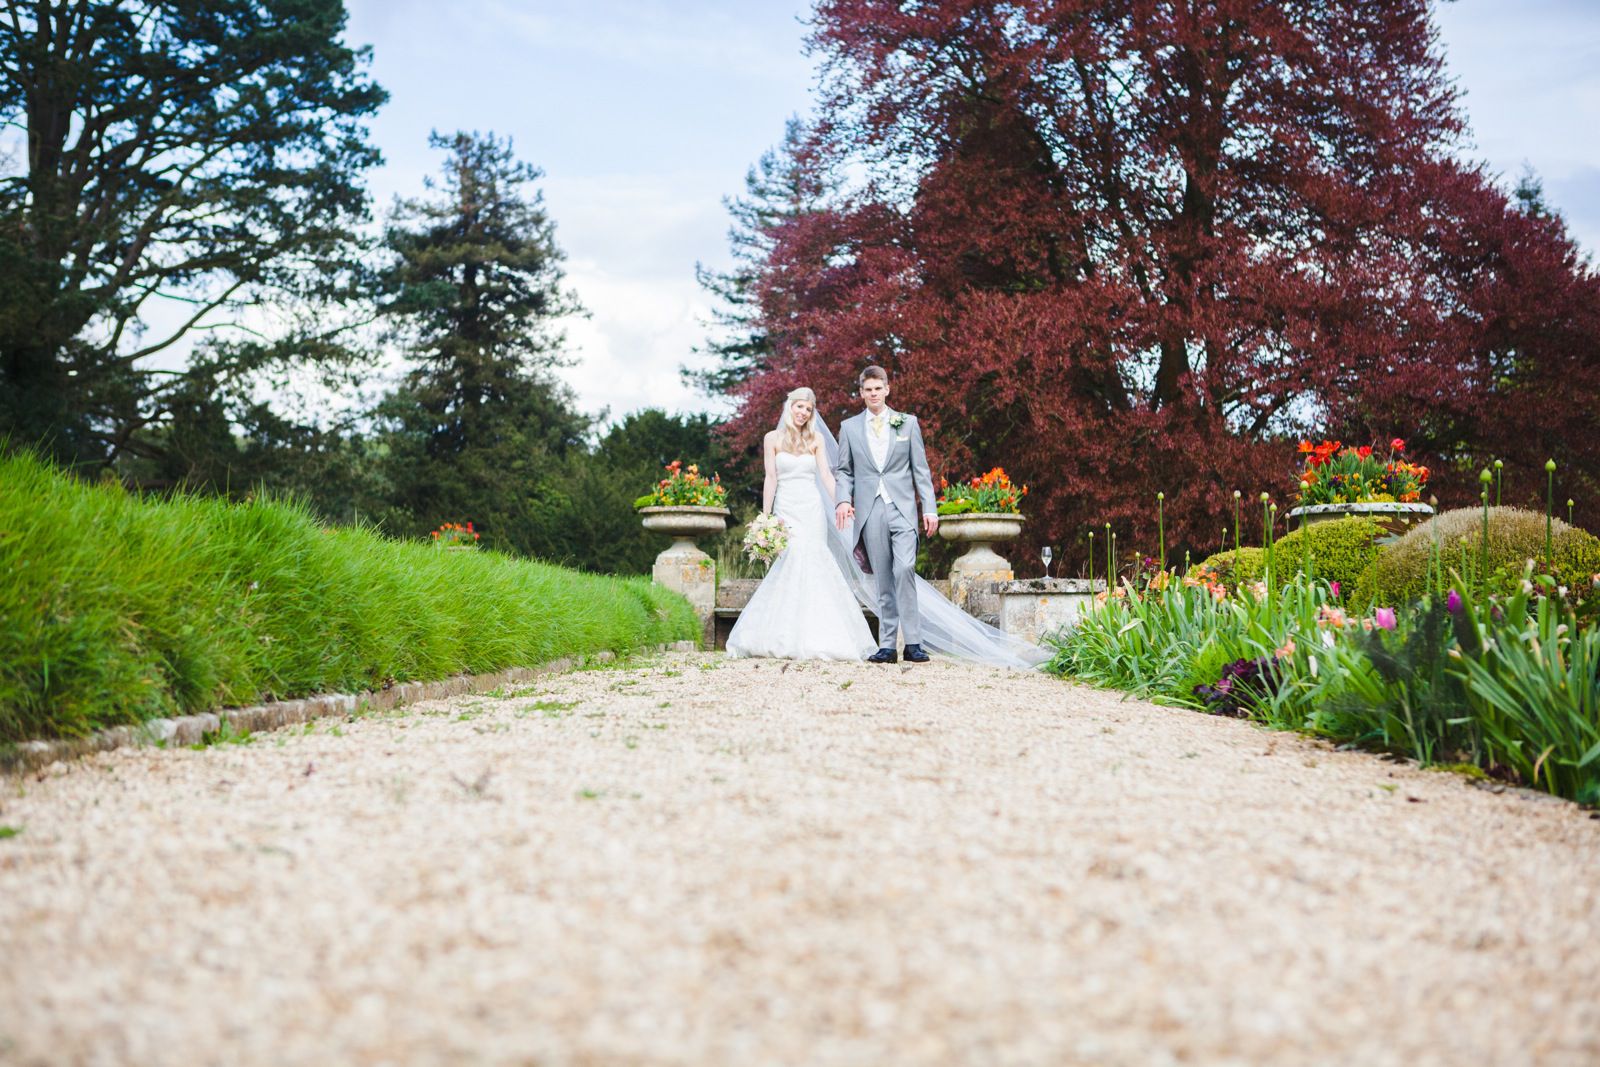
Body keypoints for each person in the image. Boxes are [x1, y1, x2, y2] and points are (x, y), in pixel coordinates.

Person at [725, 388, 878, 661]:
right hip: (786, 509)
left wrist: (842, 502)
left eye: (808, 409)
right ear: (789, 407)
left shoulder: (816, 439)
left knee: (815, 560)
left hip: (811, 509)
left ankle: (822, 636)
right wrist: (766, 516)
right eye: (799, 407)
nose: (803, 413)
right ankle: (779, 635)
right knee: (791, 561)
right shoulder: (771, 439)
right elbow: (770, 478)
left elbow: (827, 478)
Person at [832, 365, 937, 663]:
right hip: (870, 510)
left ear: (887, 389)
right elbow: (845, 471)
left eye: (878, 388)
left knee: (904, 568)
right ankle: (888, 646)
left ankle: (913, 642)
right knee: (882, 578)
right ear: (862, 393)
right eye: (868, 389)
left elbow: (921, 470)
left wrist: (929, 508)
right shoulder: (849, 427)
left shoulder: (907, 423)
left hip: (902, 508)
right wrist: (842, 500)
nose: (873, 394)